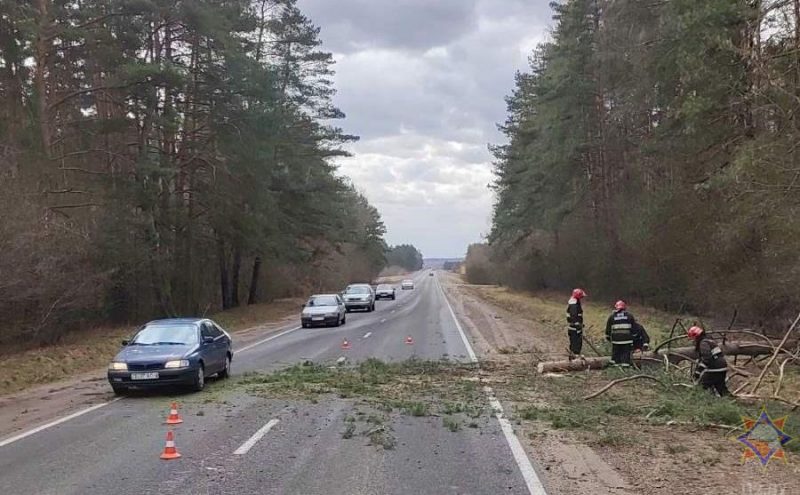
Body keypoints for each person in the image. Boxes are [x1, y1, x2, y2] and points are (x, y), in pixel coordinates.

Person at [687, 326, 729, 396]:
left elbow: (707, 359)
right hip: (722, 366)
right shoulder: (709, 341)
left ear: (696, 337)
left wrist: (697, 373)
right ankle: (733, 402)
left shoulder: (703, 343)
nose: (693, 341)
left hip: (715, 368)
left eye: (693, 339)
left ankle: (702, 403)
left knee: (701, 387)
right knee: (721, 388)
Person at [605, 300, 636, 366]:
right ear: (624, 307)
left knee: (616, 354)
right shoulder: (630, 316)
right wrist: (634, 336)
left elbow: (608, 329)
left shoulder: (612, 316)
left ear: (616, 307)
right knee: (626, 354)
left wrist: (608, 336)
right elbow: (634, 327)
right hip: (627, 340)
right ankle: (625, 365)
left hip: (616, 340)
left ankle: (616, 365)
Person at [566, 288, 587, 358]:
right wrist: (577, 324)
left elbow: (577, 315)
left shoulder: (575, 302)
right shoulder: (574, 305)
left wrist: (580, 323)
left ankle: (573, 357)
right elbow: (574, 316)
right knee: (576, 344)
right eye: (581, 296)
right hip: (574, 328)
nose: (582, 298)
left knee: (574, 343)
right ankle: (575, 359)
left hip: (574, 327)